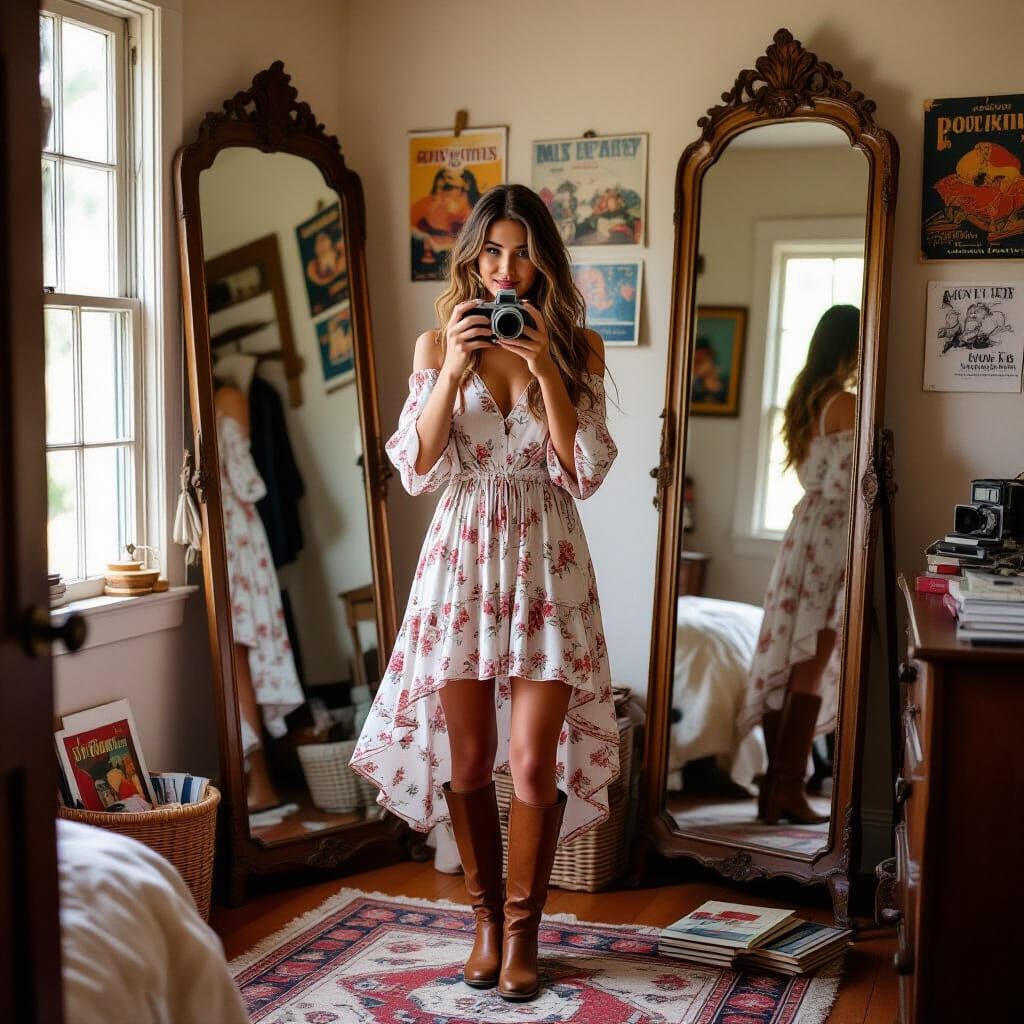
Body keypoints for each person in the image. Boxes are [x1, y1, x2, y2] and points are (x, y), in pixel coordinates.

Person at [351, 183, 619, 1002]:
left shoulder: (578, 347)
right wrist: (453, 370)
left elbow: (585, 472)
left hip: (546, 561)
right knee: (469, 756)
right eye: (493, 251)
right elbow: (416, 465)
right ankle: (486, 925)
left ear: (544, 261)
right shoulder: (438, 343)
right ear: (473, 255)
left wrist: (544, 369)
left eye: (523, 253)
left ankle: (525, 933)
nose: (506, 269)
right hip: (462, 562)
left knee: (534, 761)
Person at [739, 304, 859, 825]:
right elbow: (849, 483)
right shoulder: (845, 402)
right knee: (809, 664)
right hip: (830, 537)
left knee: (794, 663)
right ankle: (784, 788)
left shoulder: (805, 398)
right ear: (851, 346)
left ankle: (777, 788)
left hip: (804, 533)